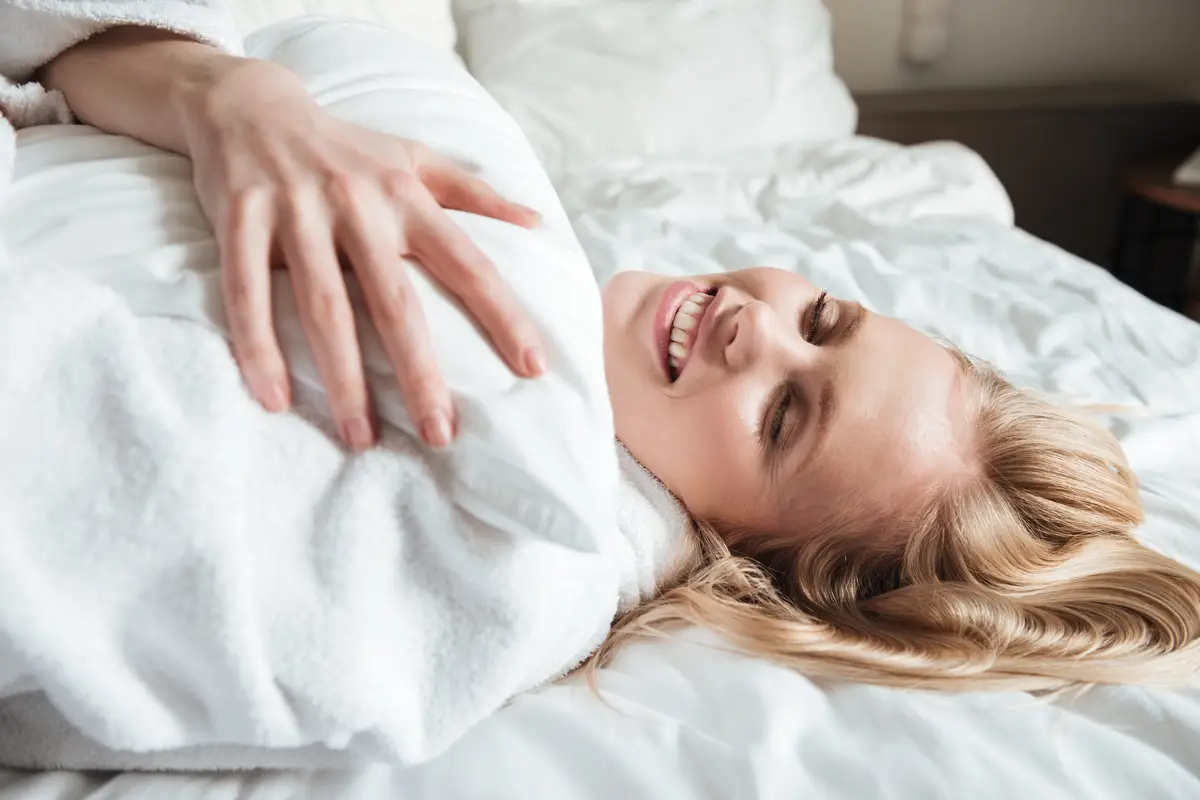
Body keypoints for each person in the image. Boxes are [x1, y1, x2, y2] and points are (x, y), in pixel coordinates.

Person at [8, 5, 1200, 704]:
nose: (756, 325)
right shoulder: (530, 233)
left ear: (749, 553)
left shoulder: (533, 528)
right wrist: (235, 94)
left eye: (786, 415)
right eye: (823, 316)